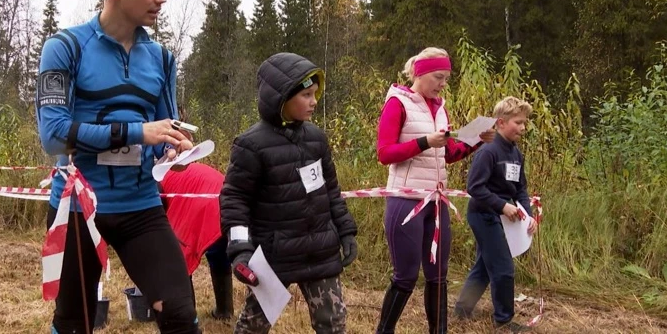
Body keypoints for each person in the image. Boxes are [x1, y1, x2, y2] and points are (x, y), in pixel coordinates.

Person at [36, 0, 200, 334]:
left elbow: (162, 129)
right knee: (76, 323)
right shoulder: (65, 48)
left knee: (179, 313)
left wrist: (173, 146)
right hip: (79, 208)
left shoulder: (162, 58)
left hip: (141, 206)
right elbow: (54, 136)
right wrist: (138, 133)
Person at [220, 52, 358, 334]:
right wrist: (240, 251)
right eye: (306, 95)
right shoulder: (250, 145)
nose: (314, 102)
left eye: (315, 94)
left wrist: (346, 230)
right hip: (274, 256)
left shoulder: (317, 139)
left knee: (334, 326)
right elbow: (235, 201)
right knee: (252, 328)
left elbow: (331, 190)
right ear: (281, 98)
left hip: (321, 252)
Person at [374, 47, 495, 334]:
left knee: (438, 275)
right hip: (406, 200)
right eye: (439, 77)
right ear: (421, 73)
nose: (443, 84)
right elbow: (384, 152)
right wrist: (425, 142)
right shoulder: (397, 103)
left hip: (436, 201)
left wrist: (478, 139)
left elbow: (449, 152)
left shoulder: (439, 107)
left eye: (446, 79)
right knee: (405, 276)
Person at [453, 96, 537, 333]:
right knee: (503, 267)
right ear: (500, 122)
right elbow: (475, 187)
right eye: (518, 122)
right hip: (483, 215)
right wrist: (501, 205)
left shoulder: (516, 154)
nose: (523, 128)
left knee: (483, 266)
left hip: (503, 217)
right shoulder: (488, 151)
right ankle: (504, 320)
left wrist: (528, 215)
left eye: (524, 123)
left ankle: (462, 309)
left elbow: (520, 188)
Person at [159, 163, 234, 321]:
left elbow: (159, 211)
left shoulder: (156, 179)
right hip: (228, 202)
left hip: (202, 202)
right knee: (219, 252)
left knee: (180, 258)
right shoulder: (175, 168)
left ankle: (188, 319)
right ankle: (224, 311)